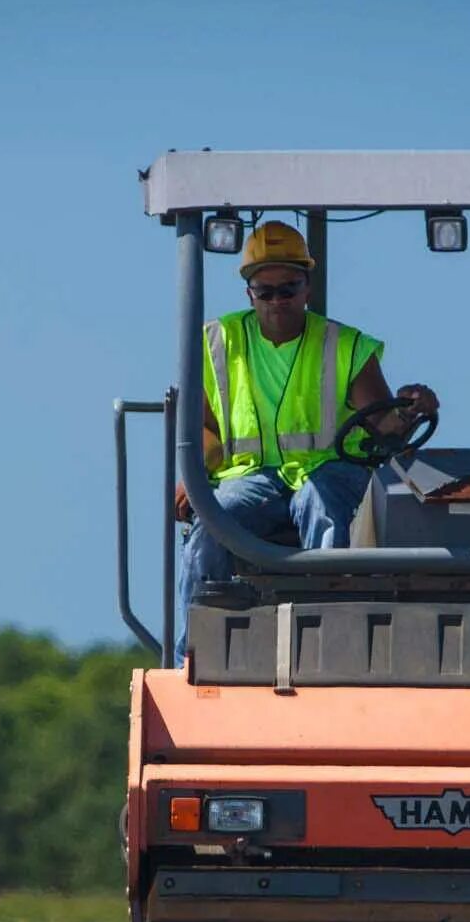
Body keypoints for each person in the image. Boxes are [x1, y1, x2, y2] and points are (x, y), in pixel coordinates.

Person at [172, 221, 440, 656]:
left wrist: (410, 409)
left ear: (307, 288)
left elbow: (383, 425)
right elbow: (205, 429)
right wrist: (197, 478)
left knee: (321, 504)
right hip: (253, 477)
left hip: (328, 471)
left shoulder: (344, 345)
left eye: (288, 289)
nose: (278, 300)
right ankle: (193, 656)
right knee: (214, 519)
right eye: (267, 291)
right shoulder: (217, 342)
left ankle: (324, 645)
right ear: (249, 293)